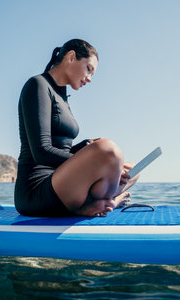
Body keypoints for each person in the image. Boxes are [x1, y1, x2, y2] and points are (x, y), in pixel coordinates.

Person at [14, 39, 139, 218]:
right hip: (36, 190)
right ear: (71, 57)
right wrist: (93, 163)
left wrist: (85, 145)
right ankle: (106, 201)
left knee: (132, 170)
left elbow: (61, 149)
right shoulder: (38, 85)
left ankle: (97, 203)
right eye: (89, 69)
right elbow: (41, 152)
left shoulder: (63, 95)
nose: (89, 79)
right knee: (109, 149)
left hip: (63, 182)